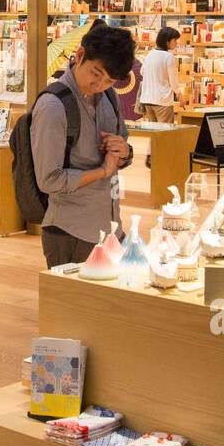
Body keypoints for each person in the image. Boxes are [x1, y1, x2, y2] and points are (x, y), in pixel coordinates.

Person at [31, 24, 137, 268]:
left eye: (109, 80)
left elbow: (122, 149)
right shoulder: (53, 105)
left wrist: (124, 152)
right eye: (95, 73)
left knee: (107, 306)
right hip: (71, 232)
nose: (99, 84)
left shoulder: (110, 96)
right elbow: (48, 180)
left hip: (110, 227)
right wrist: (102, 172)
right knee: (71, 306)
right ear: (79, 56)